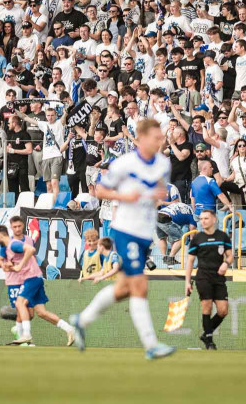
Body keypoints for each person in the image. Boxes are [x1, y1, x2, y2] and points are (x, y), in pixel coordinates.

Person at [71, 118, 176, 359]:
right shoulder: (124, 164)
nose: (160, 140)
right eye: (155, 137)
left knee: (123, 289)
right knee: (140, 285)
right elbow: (101, 190)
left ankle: (81, 320)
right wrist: (126, 197)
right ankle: (151, 345)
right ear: (141, 138)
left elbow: (159, 190)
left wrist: (156, 194)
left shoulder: (162, 163)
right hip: (125, 229)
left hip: (144, 232)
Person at [0, 216, 75, 346]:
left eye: (20, 226)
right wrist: (8, 266)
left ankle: (25, 335)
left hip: (30, 277)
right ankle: (69, 329)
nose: (18, 229)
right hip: (31, 278)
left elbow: (30, 251)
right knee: (41, 312)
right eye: (15, 227)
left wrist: (19, 266)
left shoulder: (15, 243)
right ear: (11, 228)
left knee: (20, 304)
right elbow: (3, 261)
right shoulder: (9, 245)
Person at [184, 209, 232, 350]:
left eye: (206, 218)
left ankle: (206, 333)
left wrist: (226, 263)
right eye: (201, 219)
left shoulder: (223, 236)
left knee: (223, 310)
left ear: (214, 219)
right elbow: (190, 262)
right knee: (207, 307)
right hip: (203, 277)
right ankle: (209, 341)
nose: (203, 221)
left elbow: (230, 256)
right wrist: (187, 281)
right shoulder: (197, 238)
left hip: (219, 277)